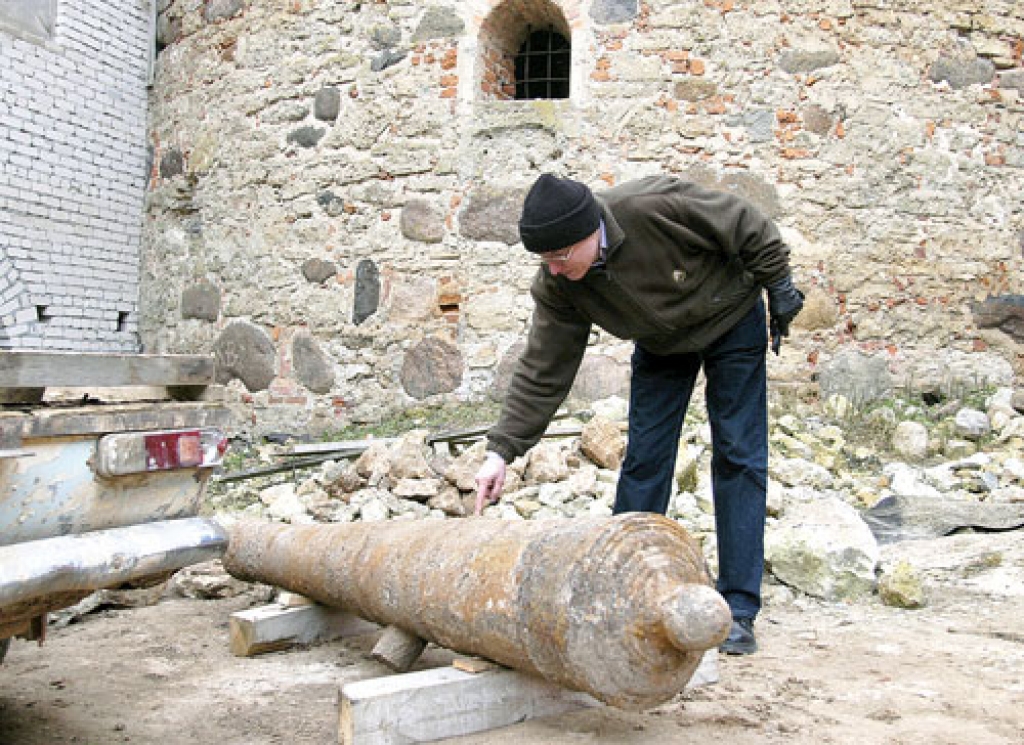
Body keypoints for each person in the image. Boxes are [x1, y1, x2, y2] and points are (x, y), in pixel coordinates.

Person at [473, 173, 804, 656]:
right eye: (545, 260)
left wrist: (779, 284)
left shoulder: (653, 206)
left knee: (738, 453)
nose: (554, 270)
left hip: (729, 317)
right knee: (645, 459)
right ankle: (623, 590)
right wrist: (501, 451)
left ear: (590, 232)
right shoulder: (560, 285)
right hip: (661, 344)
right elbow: (544, 367)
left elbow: (744, 222)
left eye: (560, 257)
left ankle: (738, 607)